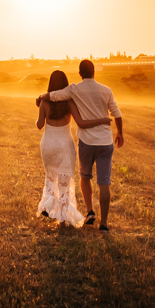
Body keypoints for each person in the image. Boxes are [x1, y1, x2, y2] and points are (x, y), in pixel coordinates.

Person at [37, 59, 123, 231]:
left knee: (60, 177)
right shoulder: (77, 99)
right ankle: (86, 222)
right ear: (93, 72)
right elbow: (87, 121)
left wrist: (41, 101)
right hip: (84, 143)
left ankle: (56, 206)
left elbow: (42, 120)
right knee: (81, 181)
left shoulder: (58, 97)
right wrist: (111, 125)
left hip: (62, 143)